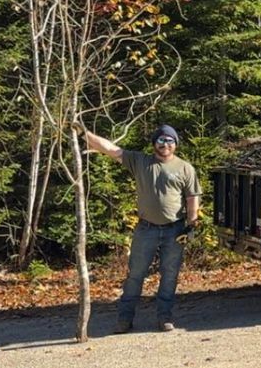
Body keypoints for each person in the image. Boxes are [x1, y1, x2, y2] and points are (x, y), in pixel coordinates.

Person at [83, 124, 201, 333]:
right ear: (155, 142)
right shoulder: (140, 161)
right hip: (146, 229)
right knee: (135, 275)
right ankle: (124, 319)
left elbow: (192, 198)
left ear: (175, 144)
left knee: (170, 274)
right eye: (162, 140)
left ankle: (164, 318)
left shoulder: (185, 168)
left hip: (175, 230)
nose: (165, 144)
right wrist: (83, 133)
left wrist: (191, 225)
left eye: (170, 141)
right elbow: (110, 149)